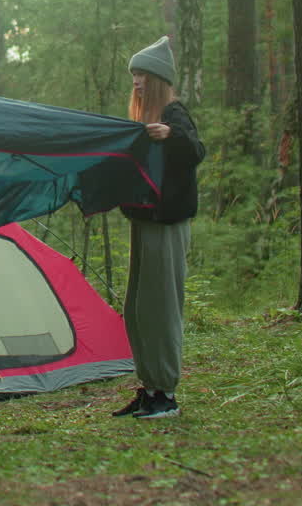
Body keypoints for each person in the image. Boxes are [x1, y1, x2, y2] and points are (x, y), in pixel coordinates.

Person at [112, 36, 204, 420]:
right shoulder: (145, 120)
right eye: (134, 75)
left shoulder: (174, 114)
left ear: (159, 79)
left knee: (161, 307)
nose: (137, 82)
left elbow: (196, 149)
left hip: (166, 226)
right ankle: (150, 389)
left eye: (144, 75)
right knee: (138, 309)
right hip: (145, 222)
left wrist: (172, 136)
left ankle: (166, 395)